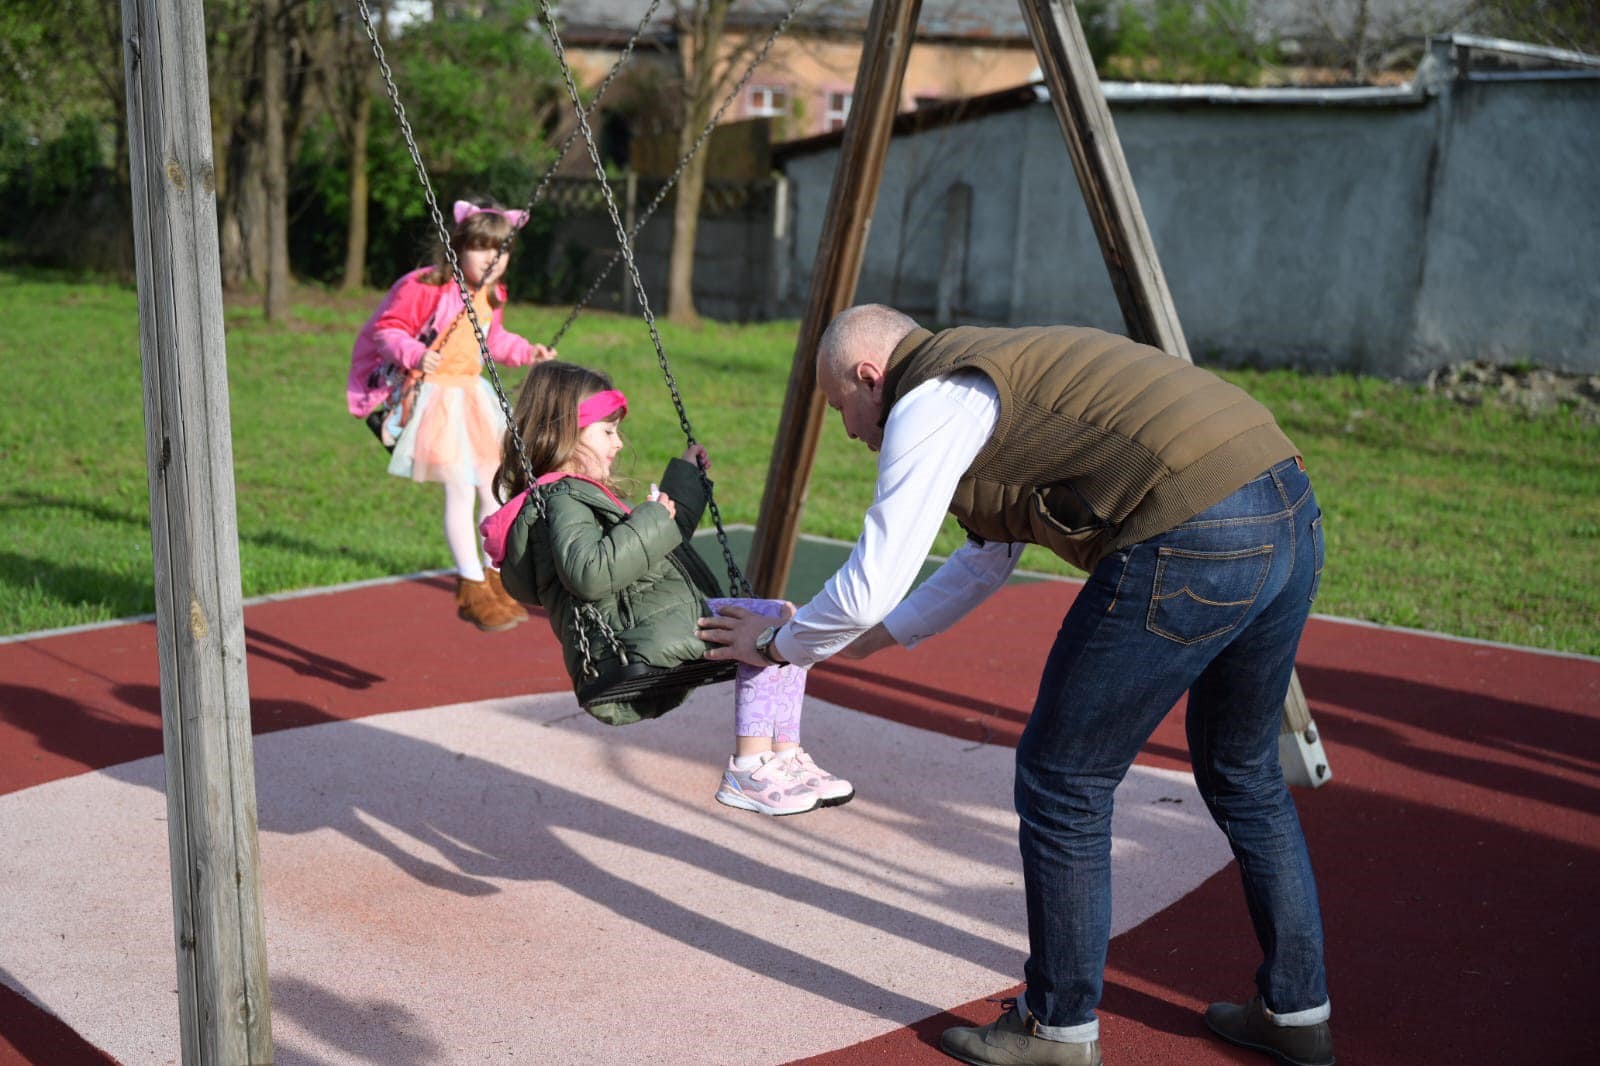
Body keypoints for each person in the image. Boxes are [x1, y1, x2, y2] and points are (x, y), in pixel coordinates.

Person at [697, 305, 1332, 1066]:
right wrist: (857, 644)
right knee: (1243, 771)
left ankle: (1055, 1029)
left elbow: (871, 582)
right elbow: (982, 560)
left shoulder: (929, 399)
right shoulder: (993, 377)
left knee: (1065, 780)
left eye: (840, 406)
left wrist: (777, 646)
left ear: (870, 378)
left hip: (1194, 527)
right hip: (1287, 507)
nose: (848, 429)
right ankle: (1297, 1012)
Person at [479, 360, 854, 817]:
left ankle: (784, 757)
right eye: (607, 431)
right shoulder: (562, 499)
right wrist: (650, 517)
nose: (619, 442)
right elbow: (590, 573)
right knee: (770, 631)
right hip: (627, 641)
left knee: (781, 618)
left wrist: (684, 482)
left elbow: (656, 547)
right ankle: (750, 767)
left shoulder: (578, 495)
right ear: (566, 434)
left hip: (650, 621)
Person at [347, 198, 557, 632]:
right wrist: (414, 354)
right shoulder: (428, 285)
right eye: (482, 248)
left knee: (495, 486)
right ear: (458, 246)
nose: (492, 260)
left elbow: (492, 340)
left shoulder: (491, 294)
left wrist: (527, 352)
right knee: (460, 491)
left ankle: (495, 577)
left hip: (472, 396)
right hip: (437, 398)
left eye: (501, 251)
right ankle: (470, 586)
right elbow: (388, 329)